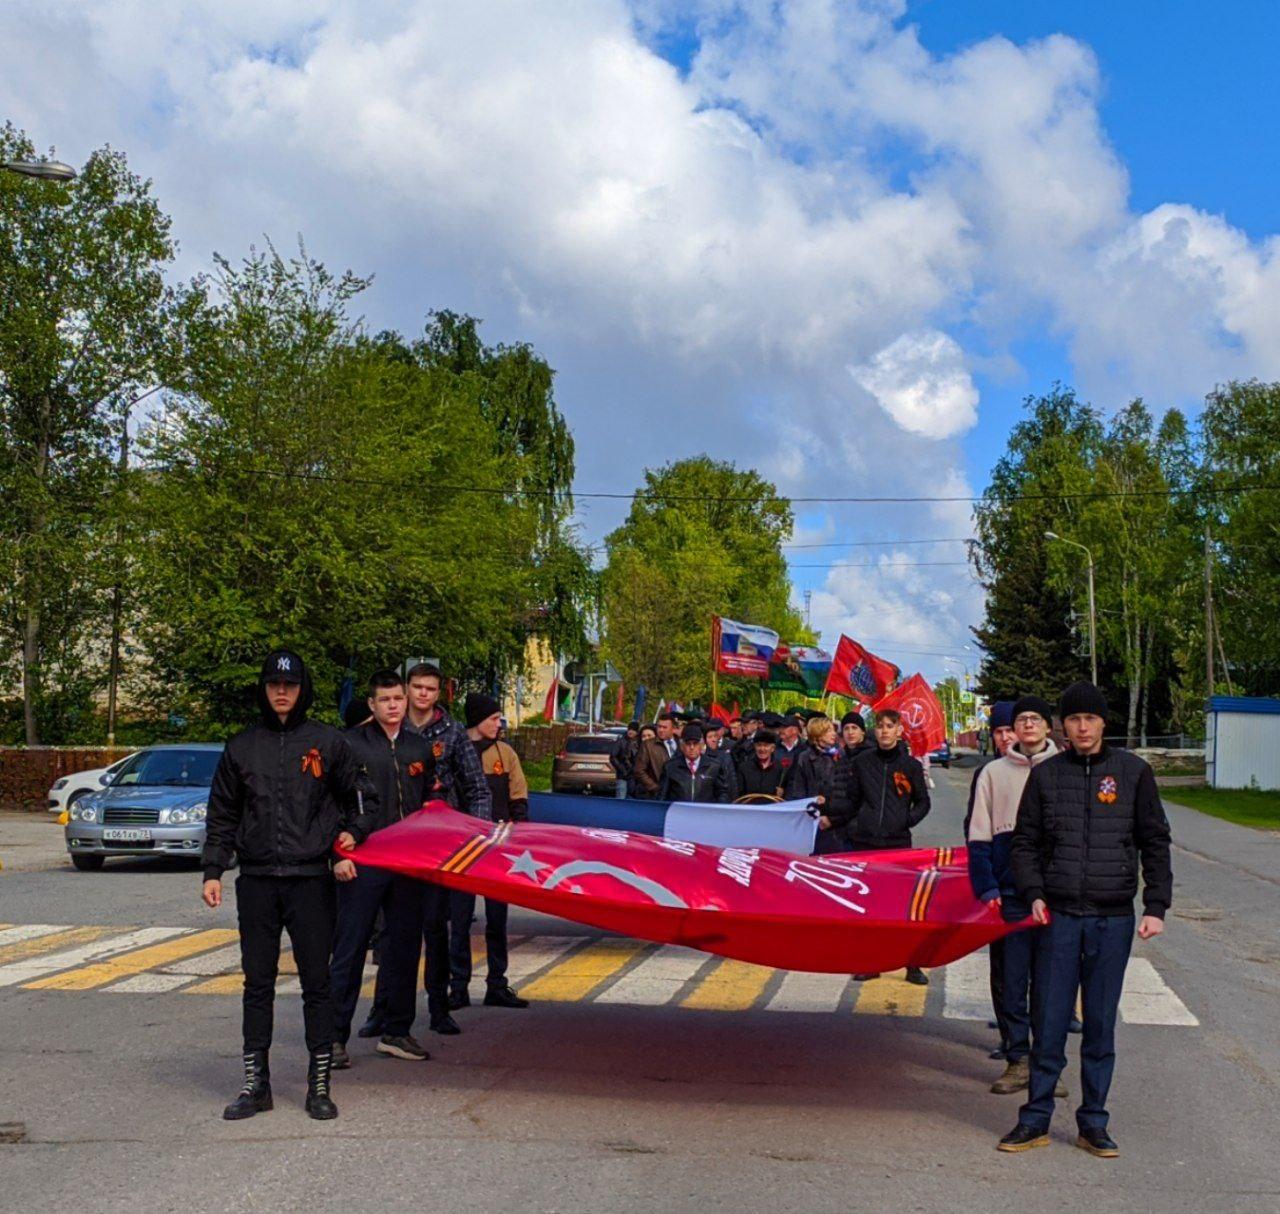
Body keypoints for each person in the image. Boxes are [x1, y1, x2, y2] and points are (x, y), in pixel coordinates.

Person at [998, 682, 1172, 1158]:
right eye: (1073, 719)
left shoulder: (1133, 774)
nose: (1082, 727)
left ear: (1102, 723)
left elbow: (1155, 841)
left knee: (1099, 1027)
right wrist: (1033, 892)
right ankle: (1034, 1119)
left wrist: (1156, 905)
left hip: (1112, 919)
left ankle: (1093, 1122)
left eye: (1089, 719)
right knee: (1049, 1022)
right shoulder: (1048, 775)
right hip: (1058, 916)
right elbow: (1025, 842)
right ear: (1063, 726)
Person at [201, 650, 372, 1122]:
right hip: (256, 881)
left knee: (317, 983)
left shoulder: (328, 742)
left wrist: (351, 836)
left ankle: (320, 1086)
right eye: (275, 684)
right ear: (263, 687)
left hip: (310, 882)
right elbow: (222, 814)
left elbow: (362, 799)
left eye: (291, 685)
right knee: (257, 984)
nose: (282, 692)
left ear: (303, 689)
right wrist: (213, 870)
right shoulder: (241, 746)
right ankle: (256, 1086)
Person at [329, 670, 437, 1069]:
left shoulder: (419, 748)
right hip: (361, 861)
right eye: (385, 700)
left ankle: (396, 1031)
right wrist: (337, 854)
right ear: (372, 705)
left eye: (398, 699)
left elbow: (431, 805)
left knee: (404, 948)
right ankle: (334, 1037)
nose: (393, 706)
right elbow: (330, 805)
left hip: (407, 864)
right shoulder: (350, 745)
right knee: (350, 948)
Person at [382, 662, 492, 1027]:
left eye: (430, 688)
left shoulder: (454, 732)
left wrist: (477, 837)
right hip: (394, 841)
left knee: (435, 928)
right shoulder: (388, 725)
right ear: (407, 687)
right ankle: (382, 1009)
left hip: (438, 844)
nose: (423, 694)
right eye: (417, 687)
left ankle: (439, 1007)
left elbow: (476, 786)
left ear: (439, 692)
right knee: (390, 931)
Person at [968, 695, 1062, 1096]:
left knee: (1052, 982)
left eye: (1034, 719)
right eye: (1020, 719)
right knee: (1011, 978)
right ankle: (1017, 1059)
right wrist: (987, 885)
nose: (1026, 725)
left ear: (1047, 726)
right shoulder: (992, 772)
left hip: (1058, 893)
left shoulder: (1066, 770)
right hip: (1010, 893)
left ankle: (1047, 1064)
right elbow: (978, 834)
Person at [832, 708, 931, 985]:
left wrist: (905, 820)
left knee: (903, 908)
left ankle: (912, 964)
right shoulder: (863, 762)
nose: (885, 730)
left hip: (898, 844)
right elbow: (851, 800)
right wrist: (828, 812)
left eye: (890, 726)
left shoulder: (910, 765)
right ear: (875, 731)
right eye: (881, 726)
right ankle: (871, 963)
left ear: (900, 730)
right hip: (866, 844)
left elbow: (923, 802)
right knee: (870, 907)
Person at [450, 692, 530, 1010]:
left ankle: (497, 984)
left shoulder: (506, 754)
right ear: (477, 720)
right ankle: (458, 987)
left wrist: (519, 832)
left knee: (498, 919)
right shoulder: (458, 752)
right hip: (463, 849)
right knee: (459, 919)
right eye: (493, 718)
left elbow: (519, 795)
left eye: (499, 718)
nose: (499, 723)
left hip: (498, 847)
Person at [966, 699, 1016, 1059]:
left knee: (1040, 970)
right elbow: (974, 828)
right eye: (999, 732)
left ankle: (1038, 1042)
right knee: (1003, 969)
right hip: (1002, 886)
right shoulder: (988, 774)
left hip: (1043, 888)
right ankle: (1011, 1039)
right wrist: (985, 881)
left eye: (1009, 730)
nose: (1004, 737)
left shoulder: (1050, 769)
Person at [787, 715, 849, 854]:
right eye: (829, 731)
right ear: (817, 735)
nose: (834, 734)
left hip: (835, 823)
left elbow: (845, 791)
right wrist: (812, 803)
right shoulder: (804, 758)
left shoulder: (841, 755)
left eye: (833, 730)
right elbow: (798, 790)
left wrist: (832, 815)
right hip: (811, 821)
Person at [658, 723, 732, 802]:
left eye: (695, 743)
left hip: (704, 812)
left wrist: (718, 810)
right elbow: (662, 796)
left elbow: (722, 793)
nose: (692, 747)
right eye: (688, 744)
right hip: (679, 812)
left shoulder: (714, 766)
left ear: (702, 744)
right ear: (682, 745)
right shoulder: (670, 767)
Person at [632, 712, 678, 798]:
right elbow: (639, 770)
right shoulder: (648, 745)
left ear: (673, 728)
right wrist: (656, 788)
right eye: (659, 726)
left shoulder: (681, 743)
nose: (661, 730)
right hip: (656, 795)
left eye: (665, 727)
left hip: (677, 795)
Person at [735, 728, 783, 798]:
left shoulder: (780, 768)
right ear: (755, 747)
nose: (762, 749)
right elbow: (739, 794)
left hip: (772, 807)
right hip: (750, 807)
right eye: (759, 745)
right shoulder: (744, 767)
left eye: (766, 745)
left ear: (772, 748)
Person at [702, 718, 739, 801]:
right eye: (710, 737)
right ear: (704, 740)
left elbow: (732, 780)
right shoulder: (701, 758)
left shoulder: (725, 756)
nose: (714, 739)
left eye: (715, 736)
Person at [610, 721, 640, 799]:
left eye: (633, 730)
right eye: (629, 729)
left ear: (637, 732)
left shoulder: (640, 742)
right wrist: (622, 769)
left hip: (635, 776)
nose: (631, 731)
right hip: (623, 776)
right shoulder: (621, 741)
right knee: (621, 797)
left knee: (633, 797)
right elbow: (613, 757)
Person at [775, 715, 803, 792]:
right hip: (775, 794)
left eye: (784, 727)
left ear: (795, 730)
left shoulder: (804, 749)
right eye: (780, 727)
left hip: (796, 794)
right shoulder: (773, 748)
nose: (780, 730)